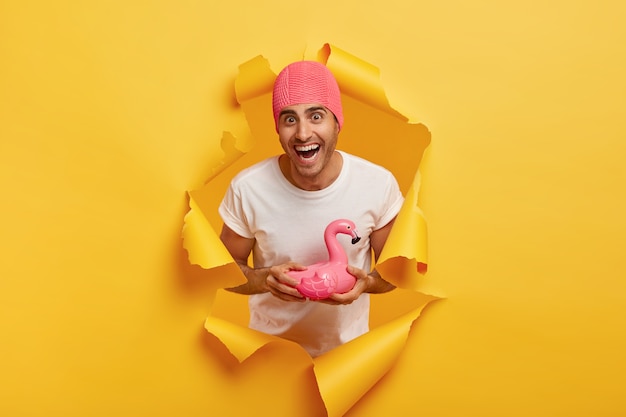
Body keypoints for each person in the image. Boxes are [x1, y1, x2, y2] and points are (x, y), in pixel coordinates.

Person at [218, 60, 404, 357]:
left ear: (336, 122)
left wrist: (366, 283)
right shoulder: (248, 189)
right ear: (278, 128)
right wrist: (264, 280)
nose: (303, 134)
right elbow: (222, 273)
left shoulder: (378, 185)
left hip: (348, 361)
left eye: (316, 116)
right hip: (269, 358)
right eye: (289, 119)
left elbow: (396, 273)